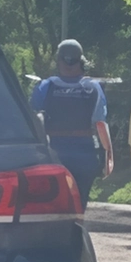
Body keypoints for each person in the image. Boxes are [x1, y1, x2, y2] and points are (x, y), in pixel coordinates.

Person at [30, 39, 113, 204]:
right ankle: (77, 227)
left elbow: (32, 119)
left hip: (53, 155)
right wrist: (109, 155)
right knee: (79, 203)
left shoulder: (45, 86)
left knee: (52, 204)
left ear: (58, 61)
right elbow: (100, 124)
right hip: (85, 156)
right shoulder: (93, 87)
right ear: (81, 60)